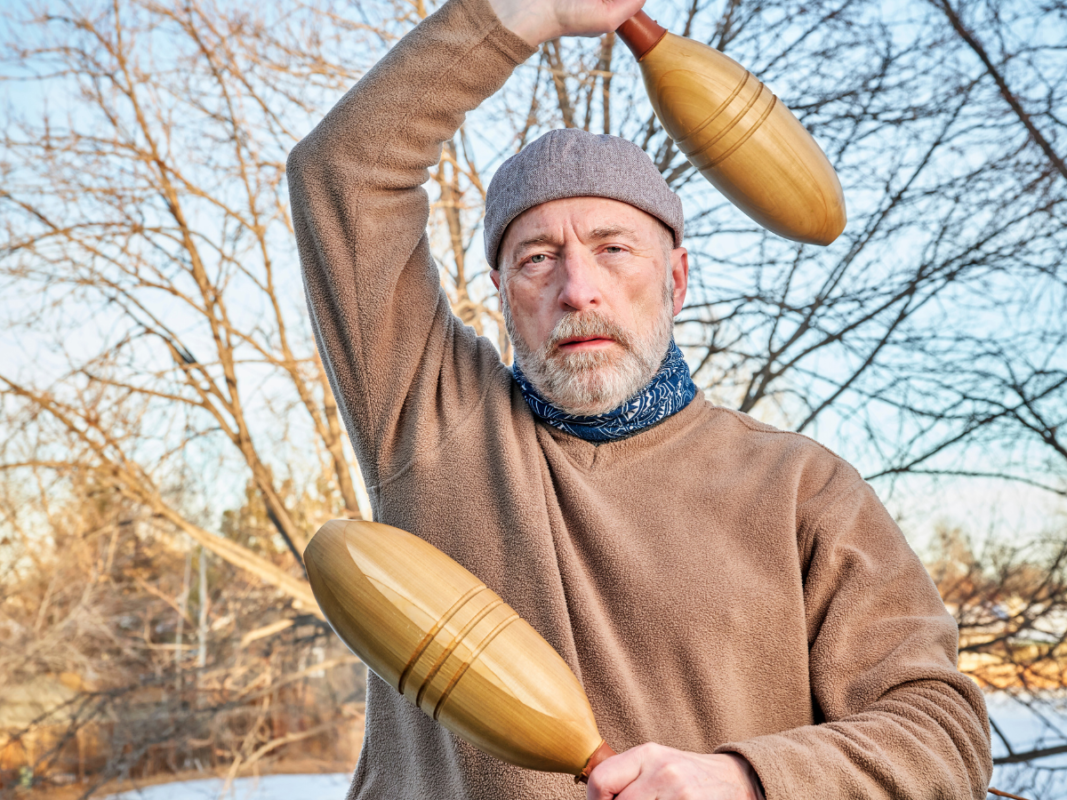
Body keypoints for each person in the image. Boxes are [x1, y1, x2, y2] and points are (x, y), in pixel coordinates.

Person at [286, 0, 994, 797]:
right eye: (535, 259)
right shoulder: (434, 425)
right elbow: (341, 174)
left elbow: (942, 734)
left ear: (675, 280)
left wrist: (744, 780)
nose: (575, 288)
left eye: (612, 249)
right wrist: (527, 15)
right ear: (501, 292)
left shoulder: (801, 487)